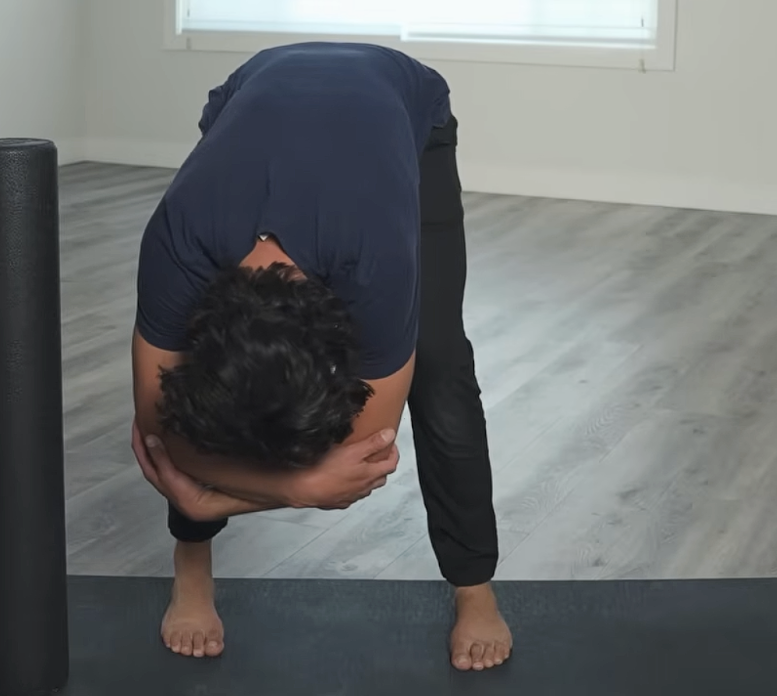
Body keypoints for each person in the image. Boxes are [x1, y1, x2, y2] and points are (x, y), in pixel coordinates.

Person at [129, 41, 511, 672]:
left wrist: (217, 493)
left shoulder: (378, 263)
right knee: (199, 398)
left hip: (402, 104)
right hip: (254, 92)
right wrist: (299, 486)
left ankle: (475, 589)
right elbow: (157, 432)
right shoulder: (179, 242)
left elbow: (368, 455)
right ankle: (191, 566)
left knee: (440, 362)